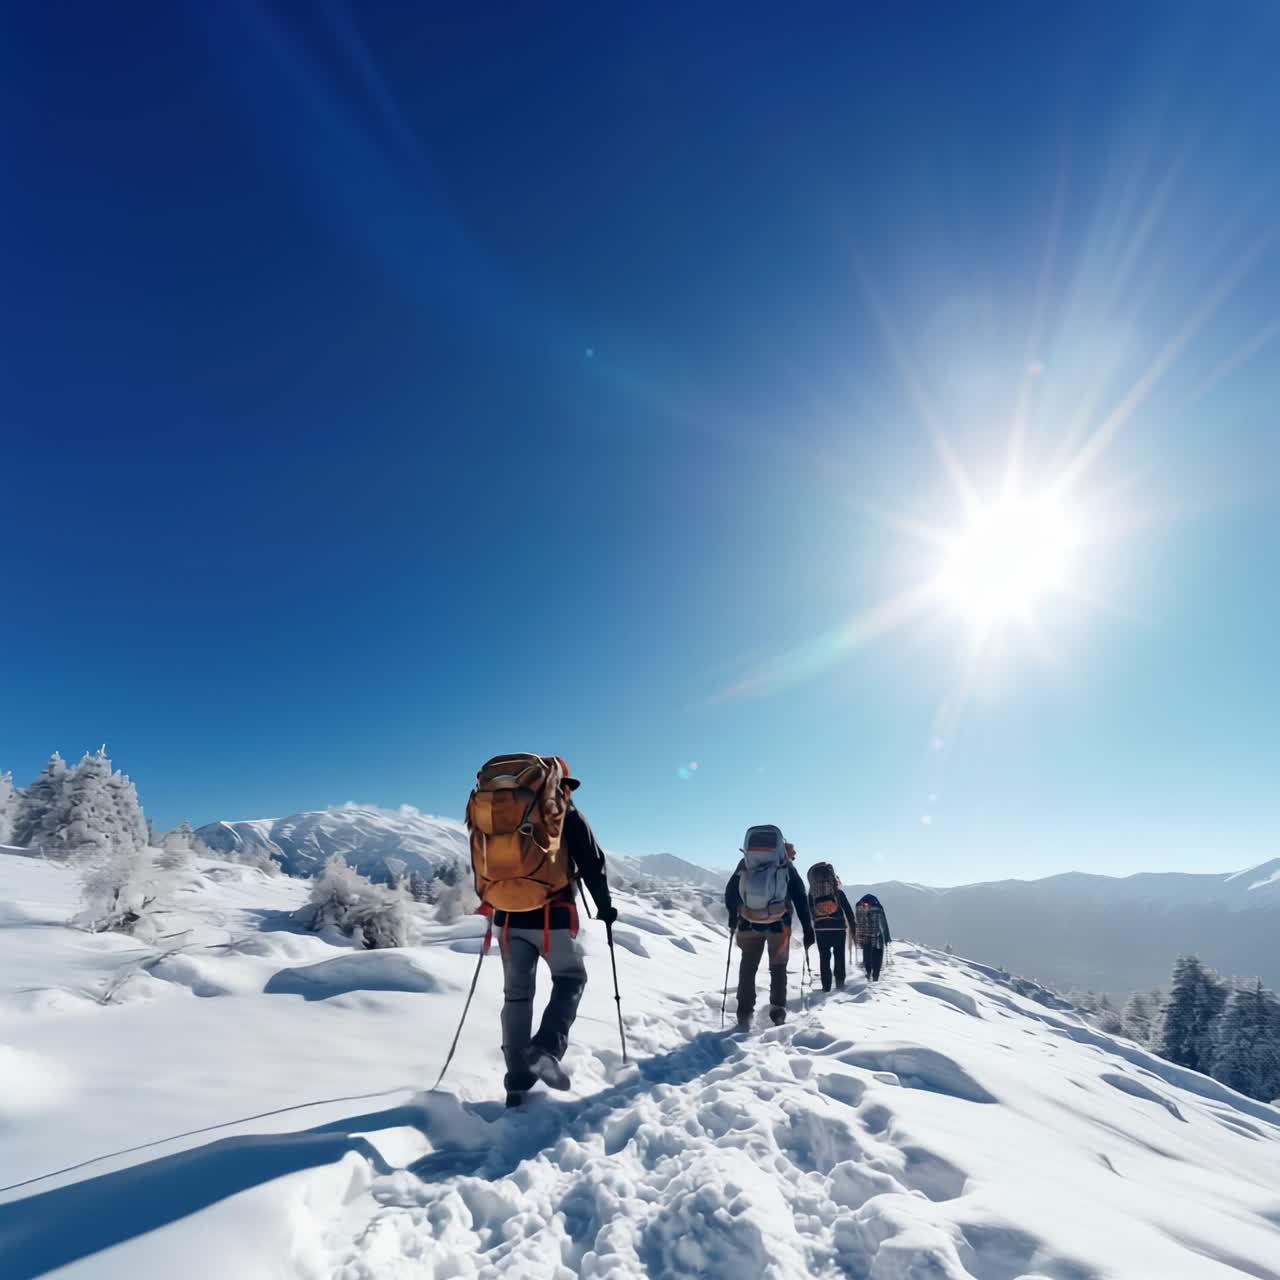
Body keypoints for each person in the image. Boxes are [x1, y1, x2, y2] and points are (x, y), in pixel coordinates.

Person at [481, 759, 616, 1107]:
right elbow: (591, 862)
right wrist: (605, 907)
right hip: (552, 916)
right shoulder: (565, 812)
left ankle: (517, 1080)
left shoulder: (499, 813)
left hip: (508, 920)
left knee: (516, 996)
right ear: (559, 783)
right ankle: (544, 1049)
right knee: (571, 977)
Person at [724, 826, 814, 1029]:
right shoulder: (786, 867)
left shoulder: (745, 864)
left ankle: (744, 1012)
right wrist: (808, 929)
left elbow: (731, 891)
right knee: (778, 967)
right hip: (779, 925)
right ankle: (777, 1011)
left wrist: (733, 917)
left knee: (748, 966)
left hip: (749, 922)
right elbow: (800, 898)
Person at [806, 862, 857, 991]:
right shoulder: (838, 893)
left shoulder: (812, 894)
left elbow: (809, 913)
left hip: (821, 928)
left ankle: (826, 986)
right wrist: (853, 928)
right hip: (838, 927)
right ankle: (840, 984)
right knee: (839, 955)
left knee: (824, 957)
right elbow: (848, 912)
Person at [854, 893, 891, 982]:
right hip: (877, 936)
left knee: (867, 953)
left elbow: (858, 923)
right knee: (877, 954)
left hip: (864, 935)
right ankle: (875, 976)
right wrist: (886, 937)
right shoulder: (878, 907)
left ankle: (868, 972)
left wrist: (857, 938)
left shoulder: (859, 907)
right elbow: (883, 923)